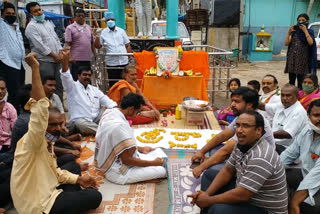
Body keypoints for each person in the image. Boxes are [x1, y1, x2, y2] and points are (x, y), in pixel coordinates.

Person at [11, 52, 102, 214]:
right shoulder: (34, 139)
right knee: (94, 197)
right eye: (54, 125)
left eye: (61, 123)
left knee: (74, 168)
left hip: (46, 186)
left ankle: (69, 200)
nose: (61, 128)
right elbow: (39, 108)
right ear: (42, 126)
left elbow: (54, 171)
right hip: (37, 204)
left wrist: (79, 179)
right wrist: (35, 68)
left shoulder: (48, 142)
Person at [189, 111, 287, 214]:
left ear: (258, 131)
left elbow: (243, 194)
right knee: (209, 175)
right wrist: (206, 195)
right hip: (247, 193)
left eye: (245, 126)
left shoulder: (261, 156)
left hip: (263, 208)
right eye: (238, 125)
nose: (239, 130)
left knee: (218, 210)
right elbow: (228, 170)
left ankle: (209, 208)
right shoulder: (242, 144)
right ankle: (205, 209)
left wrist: (210, 200)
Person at [192, 87, 274, 178]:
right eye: (232, 101)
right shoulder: (244, 115)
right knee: (214, 150)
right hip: (244, 156)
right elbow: (223, 135)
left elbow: (226, 151)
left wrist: (201, 167)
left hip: (256, 167)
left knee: (210, 172)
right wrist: (202, 151)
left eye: (237, 102)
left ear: (249, 105)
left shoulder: (256, 121)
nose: (232, 105)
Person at [95, 93, 167, 184]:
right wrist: (153, 163)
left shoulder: (111, 112)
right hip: (116, 171)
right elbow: (127, 160)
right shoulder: (118, 127)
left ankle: (147, 167)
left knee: (156, 151)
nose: (138, 114)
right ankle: (143, 174)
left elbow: (118, 143)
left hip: (111, 156)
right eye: (137, 112)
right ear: (131, 109)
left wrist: (141, 149)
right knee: (162, 170)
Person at [60, 47, 117, 136]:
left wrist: (116, 109)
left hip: (95, 119)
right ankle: (106, 133)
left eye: (89, 75)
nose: (87, 77)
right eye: (84, 75)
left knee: (109, 112)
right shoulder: (72, 87)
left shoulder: (94, 89)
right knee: (80, 124)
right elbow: (65, 75)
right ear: (78, 76)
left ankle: (105, 129)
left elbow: (106, 100)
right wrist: (65, 60)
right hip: (81, 121)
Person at [280, 99, 320, 214]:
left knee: (311, 206)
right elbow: (288, 155)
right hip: (305, 174)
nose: (319, 119)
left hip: (316, 180)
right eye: (316, 115)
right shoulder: (307, 130)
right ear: (308, 116)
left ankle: (290, 201)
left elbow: (316, 176)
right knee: (274, 176)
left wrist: (295, 202)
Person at [25, 2, 64, 102]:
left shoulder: (47, 23)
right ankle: (46, 110)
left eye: (39, 9)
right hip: (45, 61)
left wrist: (60, 53)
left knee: (59, 86)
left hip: (57, 60)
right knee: (46, 87)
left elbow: (56, 39)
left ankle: (59, 109)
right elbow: (40, 46)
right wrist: (55, 56)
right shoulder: (31, 27)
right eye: (35, 11)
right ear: (31, 14)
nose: (39, 12)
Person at [259, 83, 308, 153]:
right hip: (276, 144)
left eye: (288, 96)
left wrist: (265, 134)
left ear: (297, 97)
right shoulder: (282, 105)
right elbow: (264, 106)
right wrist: (249, 101)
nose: (284, 98)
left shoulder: (298, 112)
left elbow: (287, 134)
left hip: (288, 149)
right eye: (282, 95)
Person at [94, 12, 132, 88]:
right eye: (108, 20)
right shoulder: (103, 33)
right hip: (112, 63)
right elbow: (98, 46)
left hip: (123, 61)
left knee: (125, 83)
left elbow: (127, 45)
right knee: (113, 84)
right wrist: (97, 36)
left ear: (115, 20)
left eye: (112, 19)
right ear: (105, 22)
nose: (110, 21)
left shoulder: (121, 31)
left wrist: (129, 57)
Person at [0, 0, 25, 111]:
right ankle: (11, 117)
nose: (11, 15)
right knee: (13, 93)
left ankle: (15, 114)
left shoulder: (17, 27)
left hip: (20, 64)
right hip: (7, 62)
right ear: (2, 15)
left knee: (21, 92)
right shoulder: (1, 25)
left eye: (12, 14)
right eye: (7, 14)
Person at [284, 13, 317, 89]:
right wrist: (289, 32)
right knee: (291, 80)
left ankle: (301, 95)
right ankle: (292, 94)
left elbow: (311, 43)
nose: (300, 21)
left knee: (301, 80)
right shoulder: (294, 31)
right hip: (292, 59)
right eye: (299, 20)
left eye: (303, 20)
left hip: (302, 60)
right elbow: (286, 43)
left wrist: (305, 31)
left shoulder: (309, 31)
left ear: (307, 21)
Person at [65, 8, 95, 81]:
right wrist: (69, 57)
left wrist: (94, 54)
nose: (81, 17)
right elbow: (67, 44)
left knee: (87, 79)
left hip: (87, 59)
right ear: (74, 17)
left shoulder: (88, 27)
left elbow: (92, 42)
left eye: (82, 16)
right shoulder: (70, 28)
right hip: (76, 60)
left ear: (85, 17)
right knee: (76, 80)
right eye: (78, 16)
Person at [0, 77, 17, 153]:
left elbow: (15, 130)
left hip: (7, 146)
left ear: (6, 91)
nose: (0, 91)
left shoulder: (10, 108)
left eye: (2, 89)